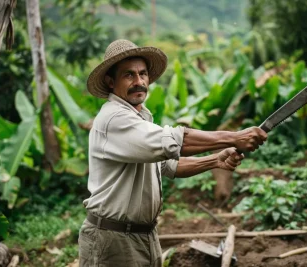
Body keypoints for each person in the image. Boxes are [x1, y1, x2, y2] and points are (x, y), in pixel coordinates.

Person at [79, 39, 267, 267]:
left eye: (143, 74)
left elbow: (167, 166)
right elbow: (174, 141)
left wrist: (215, 160)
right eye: (129, 75)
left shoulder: (140, 118)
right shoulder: (114, 118)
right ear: (111, 82)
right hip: (114, 240)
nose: (139, 81)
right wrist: (234, 137)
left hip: (143, 235)